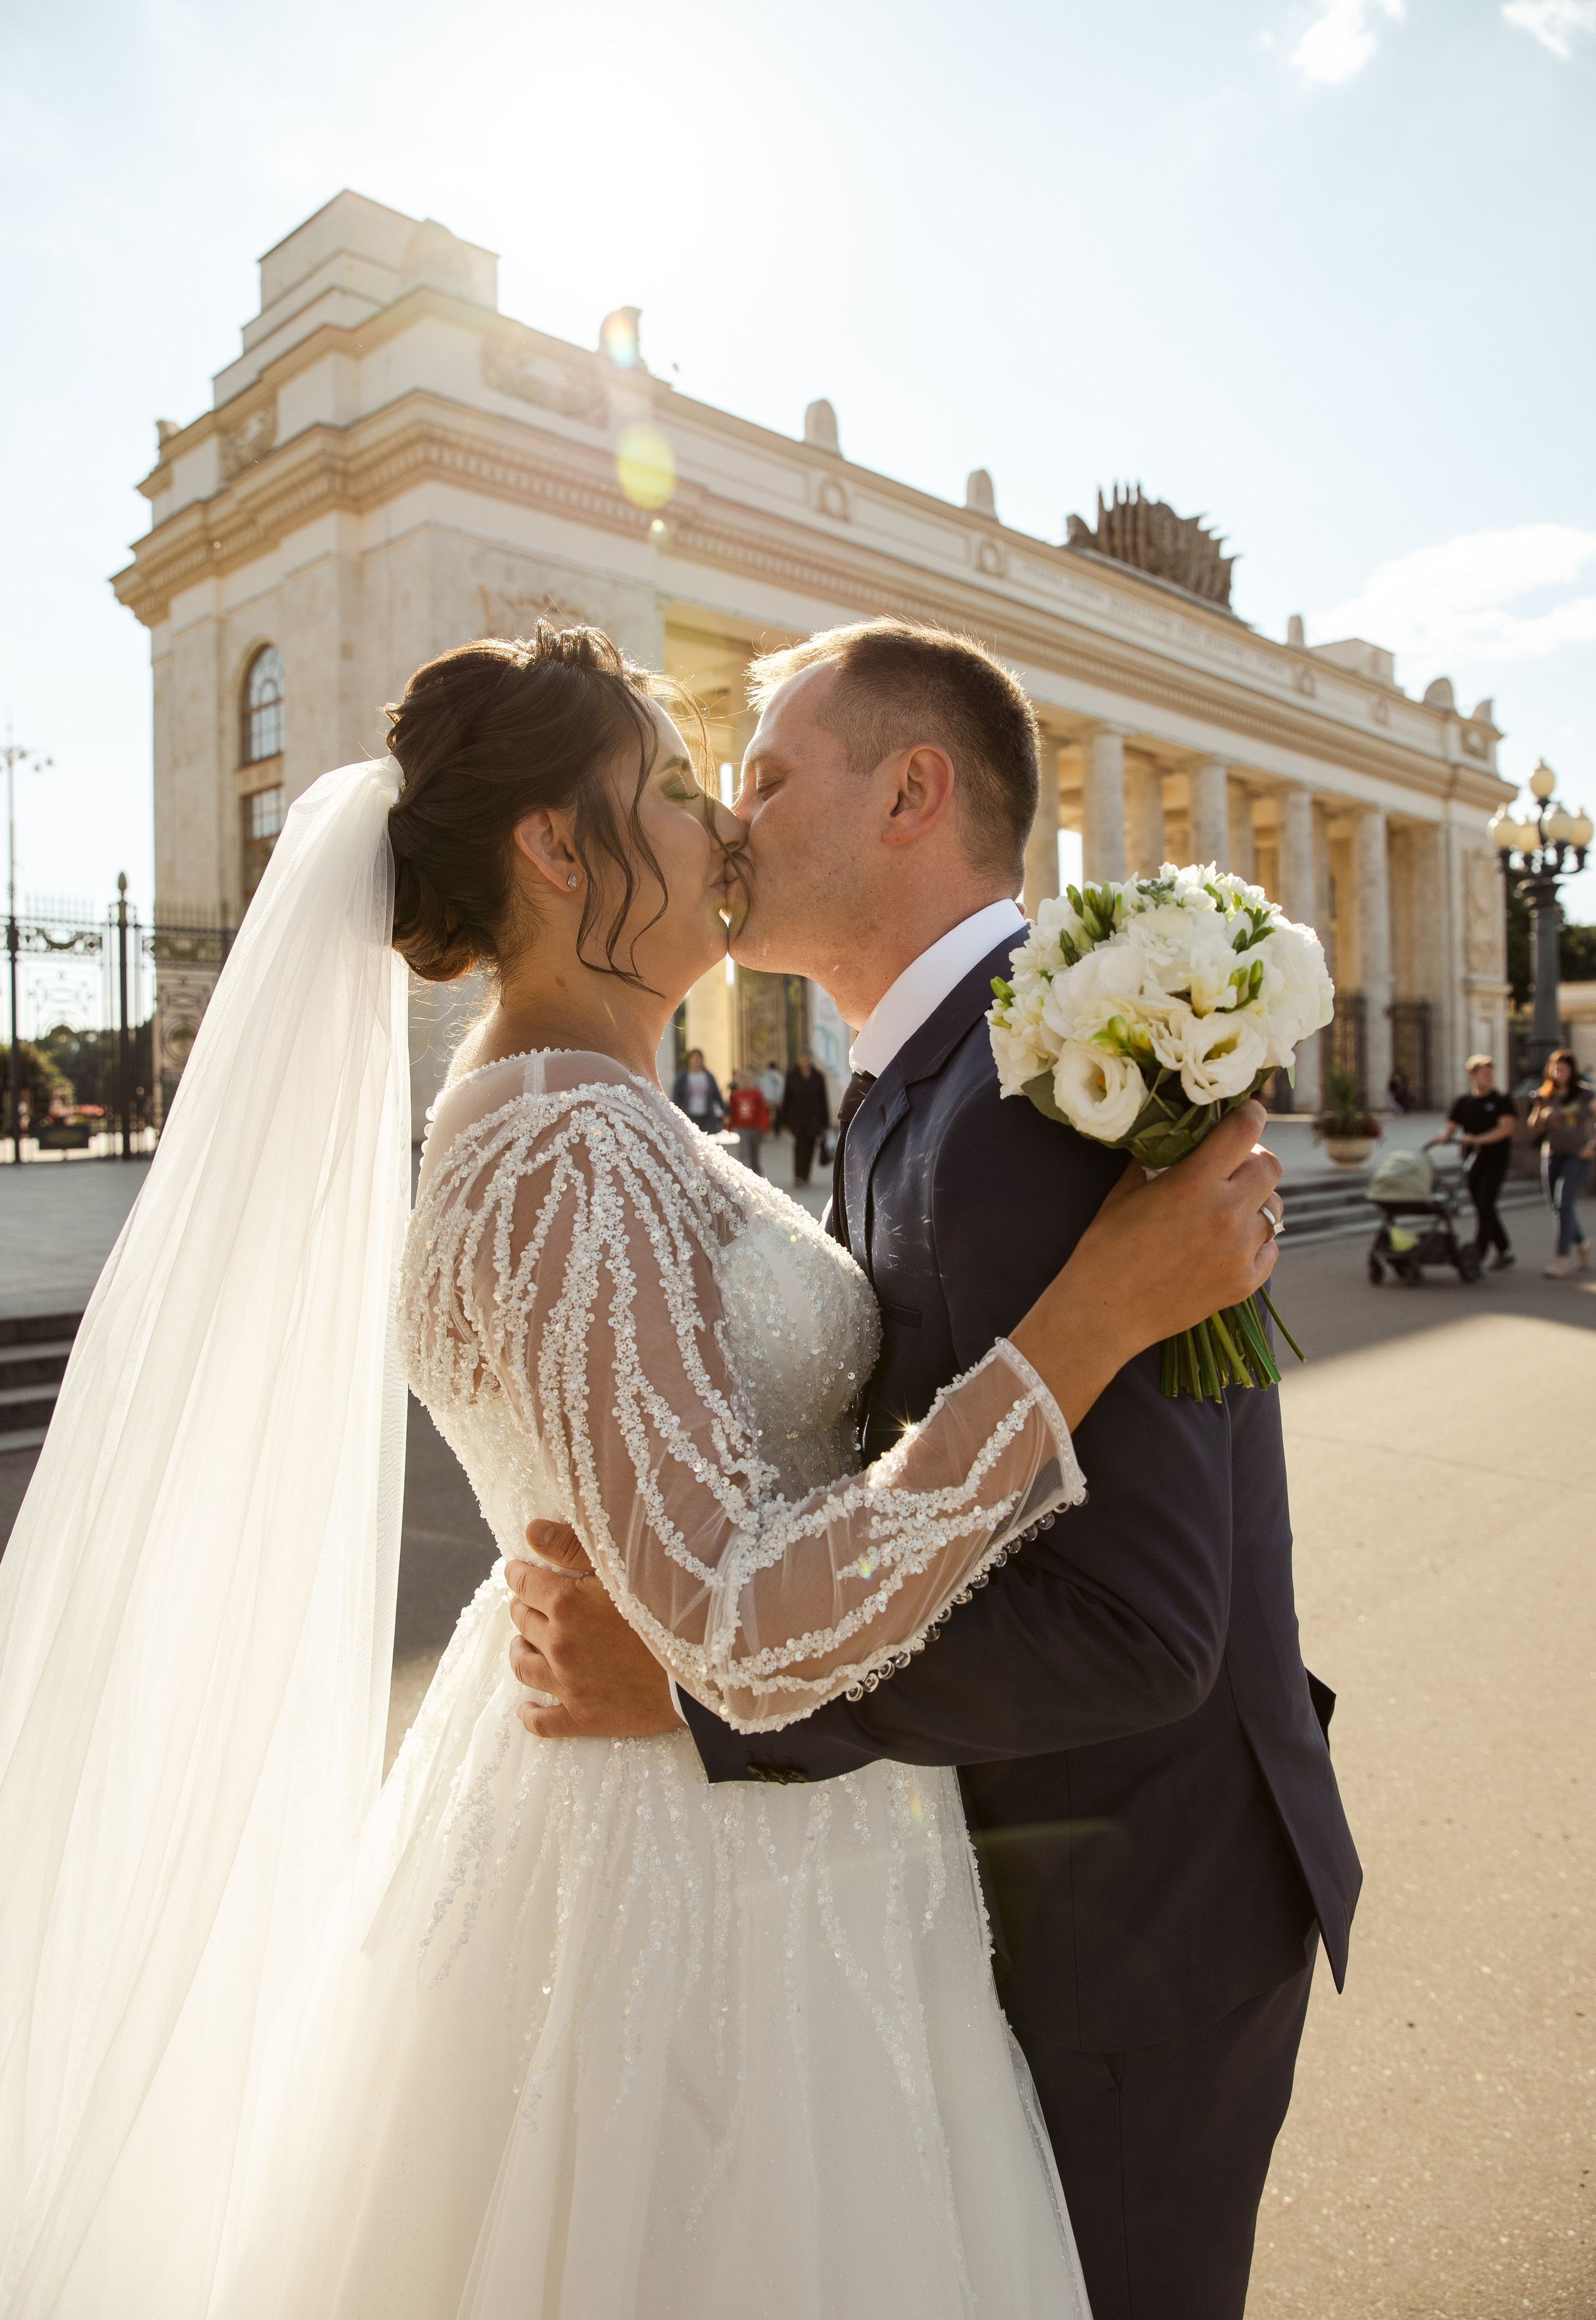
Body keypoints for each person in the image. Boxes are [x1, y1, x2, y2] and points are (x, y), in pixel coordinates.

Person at [0, 623, 1288, 2320]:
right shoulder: (567, 1150)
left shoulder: (593, 1113)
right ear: (554, 845)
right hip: (697, 1897)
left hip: (754, 1845)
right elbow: (739, 1626)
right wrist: (1089, 1324)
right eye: (681, 791)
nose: (721, 832)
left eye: (734, 783)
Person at [507, 618, 1360, 2320]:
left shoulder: (1035, 1096)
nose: (728, 822)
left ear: (912, 790)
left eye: (760, 774)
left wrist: (707, 1692)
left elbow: (1135, 1625)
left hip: (1133, 1923)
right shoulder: (926, 1076)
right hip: (1038, 1883)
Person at [1432, 1052, 1517, 1271]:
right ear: (1473, 1077)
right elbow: (1451, 1126)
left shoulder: (1501, 1101)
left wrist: (1479, 1139)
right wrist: (1445, 1136)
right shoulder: (1463, 1102)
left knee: (1486, 1203)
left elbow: (1505, 1129)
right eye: (1485, 1074)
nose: (1489, 1077)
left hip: (1496, 1160)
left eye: (1491, 1074)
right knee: (1482, 1206)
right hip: (1473, 1161)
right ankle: (1505, 1250)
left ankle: (1478, 1254)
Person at [1526, 1046, 1595, 1278]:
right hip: (1553, 1153)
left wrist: (1593, 1145)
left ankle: (1561, 1259)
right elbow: (1534, 1127)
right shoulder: (1547, 1094)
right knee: (1557, 1206)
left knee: (1564, 1203)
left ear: (1572, 1071)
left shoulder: (1585, 1094)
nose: (1559, 1073)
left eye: (1563, 1069)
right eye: (1555, 1069)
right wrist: (1539, 1109)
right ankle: (1583, 1243)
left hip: (1578, 1155)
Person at [782, 1044, 832, 1185]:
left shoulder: (818, 1077)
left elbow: (824, 1100)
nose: (804, 1060)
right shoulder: (792, 1076)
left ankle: (805, 1175)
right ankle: (798, 1176)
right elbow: (787, 1098)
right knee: (799, 1147)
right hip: (797, 1119)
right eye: (802, 1058)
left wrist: (825, 1123)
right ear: (798, 1059)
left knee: (810, 1148)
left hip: (814, 1119)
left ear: (811, 1059)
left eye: (807, 1058)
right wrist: (784, 1120)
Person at [670, 1041, 724, 1130]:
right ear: (689, 1060)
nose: (696, 1060)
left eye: (698, 1058)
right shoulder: (683, 1078)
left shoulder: (708, 1077)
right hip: (689, 1115)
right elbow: (677, 1097)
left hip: (706, 1116)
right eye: (694, 1058)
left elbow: (717, 1095)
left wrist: (724, 1111)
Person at [726, 1065, 768, 1171]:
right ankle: (746, 1170)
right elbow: (733, 1111)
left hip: (755, 1127)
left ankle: (756, 1168)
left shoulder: (757, 1094)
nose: (745, 1082)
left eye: (748, 1080)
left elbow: (762, 1111)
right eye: (743, 1080)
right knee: (744, 1151)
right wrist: (731, 1125)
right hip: (742, 1127)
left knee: (755, 1150)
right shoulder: (736, 1095)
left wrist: (764, 1126)